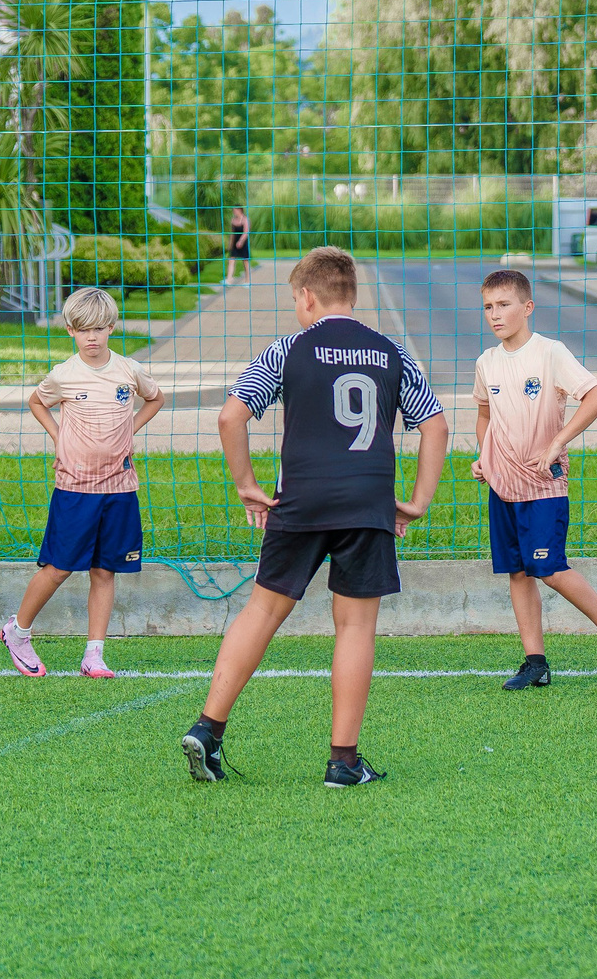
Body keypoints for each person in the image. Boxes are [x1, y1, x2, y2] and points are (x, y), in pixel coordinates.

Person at [180, 247, 447, 786]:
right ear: (352, 295)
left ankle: (209, 729)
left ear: (306, 297)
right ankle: (343, 761)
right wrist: (418, 501)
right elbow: (435, 426)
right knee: (355, 626)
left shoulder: (287, 349)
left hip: (299, 500)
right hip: (367, 502)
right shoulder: (393, 352)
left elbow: (231, 417)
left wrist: (247, 487)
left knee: (262, 610)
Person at [470, 268, 597, 690]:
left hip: (544, 482)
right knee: (518, 572)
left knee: (548, 568)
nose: (495, 314)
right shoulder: (486, 362)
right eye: (488, 307)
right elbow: (485, 415)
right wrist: (483, 456)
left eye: (504, 305)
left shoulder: (550, 353)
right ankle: (535, 663)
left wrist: (557, 442)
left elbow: (596, 396)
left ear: (527, 307)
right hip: (503, 485)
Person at [2, 286, 167, 680]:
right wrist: (59, 437)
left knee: (105, 570)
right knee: (59, 567)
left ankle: (94, 654)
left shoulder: (128, 370)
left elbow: (156, 399)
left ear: (111, 328)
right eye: (82, 330)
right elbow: (37, 402)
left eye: (98, 328)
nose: (91, 337)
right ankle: (17, 632)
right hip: (76, 486)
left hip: (120, 487)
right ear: (70, 332)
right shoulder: (64, 375)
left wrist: (129, 431)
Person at [226, 204, 252, 283]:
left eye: (235, 210)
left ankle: (247, 281)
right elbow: (232, 233)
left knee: (245, 261)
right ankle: (229, 279)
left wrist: (241, 241)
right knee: (231, 259)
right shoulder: (233, 220)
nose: (233, 211)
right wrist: (230, 244)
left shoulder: (245, 219)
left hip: (243, 242)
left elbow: (246, 232)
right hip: (235, 243)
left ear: (240, 210)